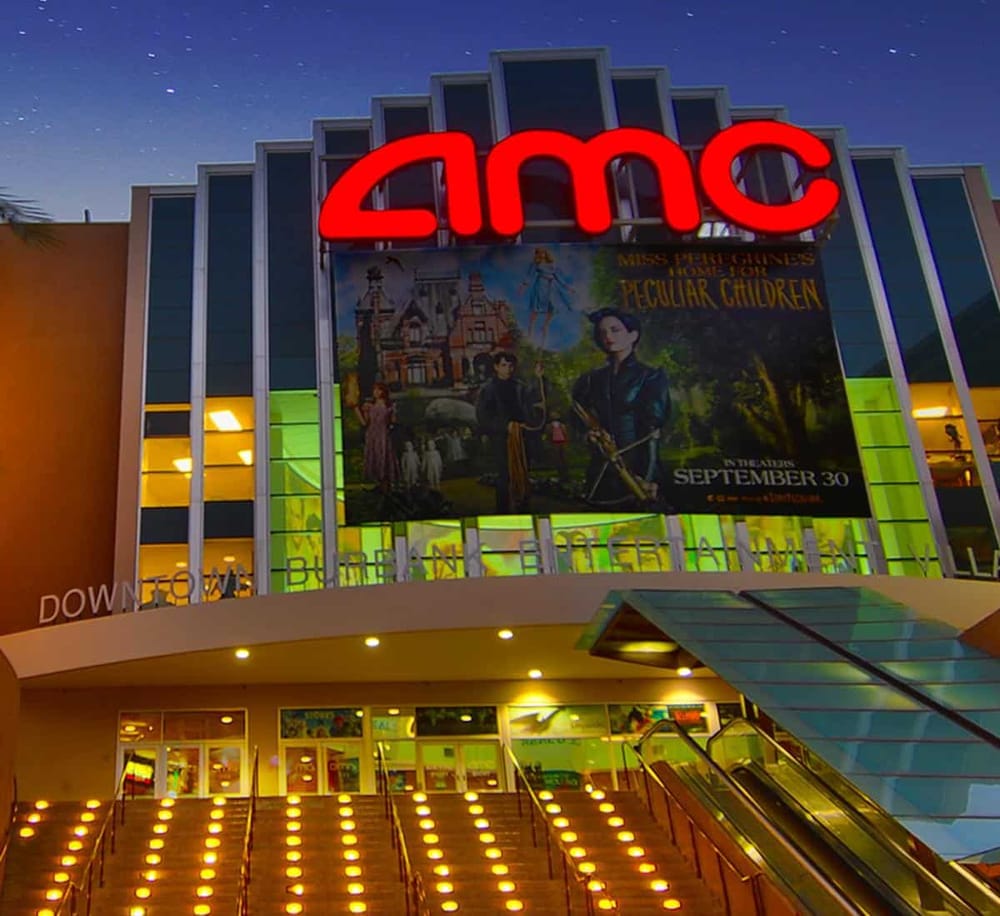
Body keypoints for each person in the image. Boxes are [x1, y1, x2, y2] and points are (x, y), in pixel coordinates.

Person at [571, 308, 670, 507]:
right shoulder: (591, 379)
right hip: (602, 467)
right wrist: (587, 434)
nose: (608, 336)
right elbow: (576, 411)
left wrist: (648, 477)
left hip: (637, 468)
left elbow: (652, 432)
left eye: (615, 330)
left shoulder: (650, 376)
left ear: (633, 335)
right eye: (603, 332)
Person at [476, 352, 544, 512]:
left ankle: (524, 508)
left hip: (521, 436)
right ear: (496, 367)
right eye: (504, 365)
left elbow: (534, 399)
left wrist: (539, 378)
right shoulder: (488, 389)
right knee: (504, 474)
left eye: (510, 366)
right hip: (501, 438)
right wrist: (504, 426)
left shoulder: (520, 387)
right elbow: (483, 416)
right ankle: (503, 510)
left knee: (523, 471)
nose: (508, 369)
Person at [518, 247, 574, 349]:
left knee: (552, 307)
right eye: (539, 253)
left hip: (551, 287)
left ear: (546, 253)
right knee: (536, 309)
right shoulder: (535, 264)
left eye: (543, 253)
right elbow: (529, 276)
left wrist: (568, 288)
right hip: (540, 286)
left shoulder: (551, 264)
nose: (542, 255)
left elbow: (558, 277)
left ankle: (545, 326)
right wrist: (523, 286)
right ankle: (530, 330)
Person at [357, 383, 397, 490]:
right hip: (372, 434)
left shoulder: (389, 406)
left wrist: (393, 413)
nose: (376, 392)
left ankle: (386, 482)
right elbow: (365, 423)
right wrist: (357, 410)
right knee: (374, 455)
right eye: (374, 390)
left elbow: (392, 422)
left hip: (383, 434)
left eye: (379, 390)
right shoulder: (369, 406)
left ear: (383, 392)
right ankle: (378, 482)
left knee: (383, 454)